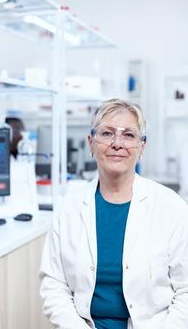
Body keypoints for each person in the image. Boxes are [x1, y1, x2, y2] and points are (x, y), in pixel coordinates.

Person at [39, 98, 188, 329]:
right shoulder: (69, 208)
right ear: (91, 143)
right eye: (107, 134)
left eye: (129, 135)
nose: (117, 143)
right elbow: (54, 285)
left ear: (142, 146)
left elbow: (186, 291)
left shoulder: (171, 207)